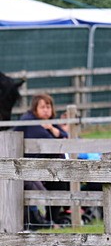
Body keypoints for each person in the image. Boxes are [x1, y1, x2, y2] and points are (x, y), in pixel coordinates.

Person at [18, 93, 71, 226]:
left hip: (46, 168)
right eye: (43, 107)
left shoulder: (49, 123)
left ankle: (52, 219)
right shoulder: (29, 121)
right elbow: (50, 142)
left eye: (48, 107)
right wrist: (57, 134)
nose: (46, 110)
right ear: (35, 109)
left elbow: (65, 135)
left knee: (62, 182)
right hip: (27, 168)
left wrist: (53, 129)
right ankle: (44, 221)